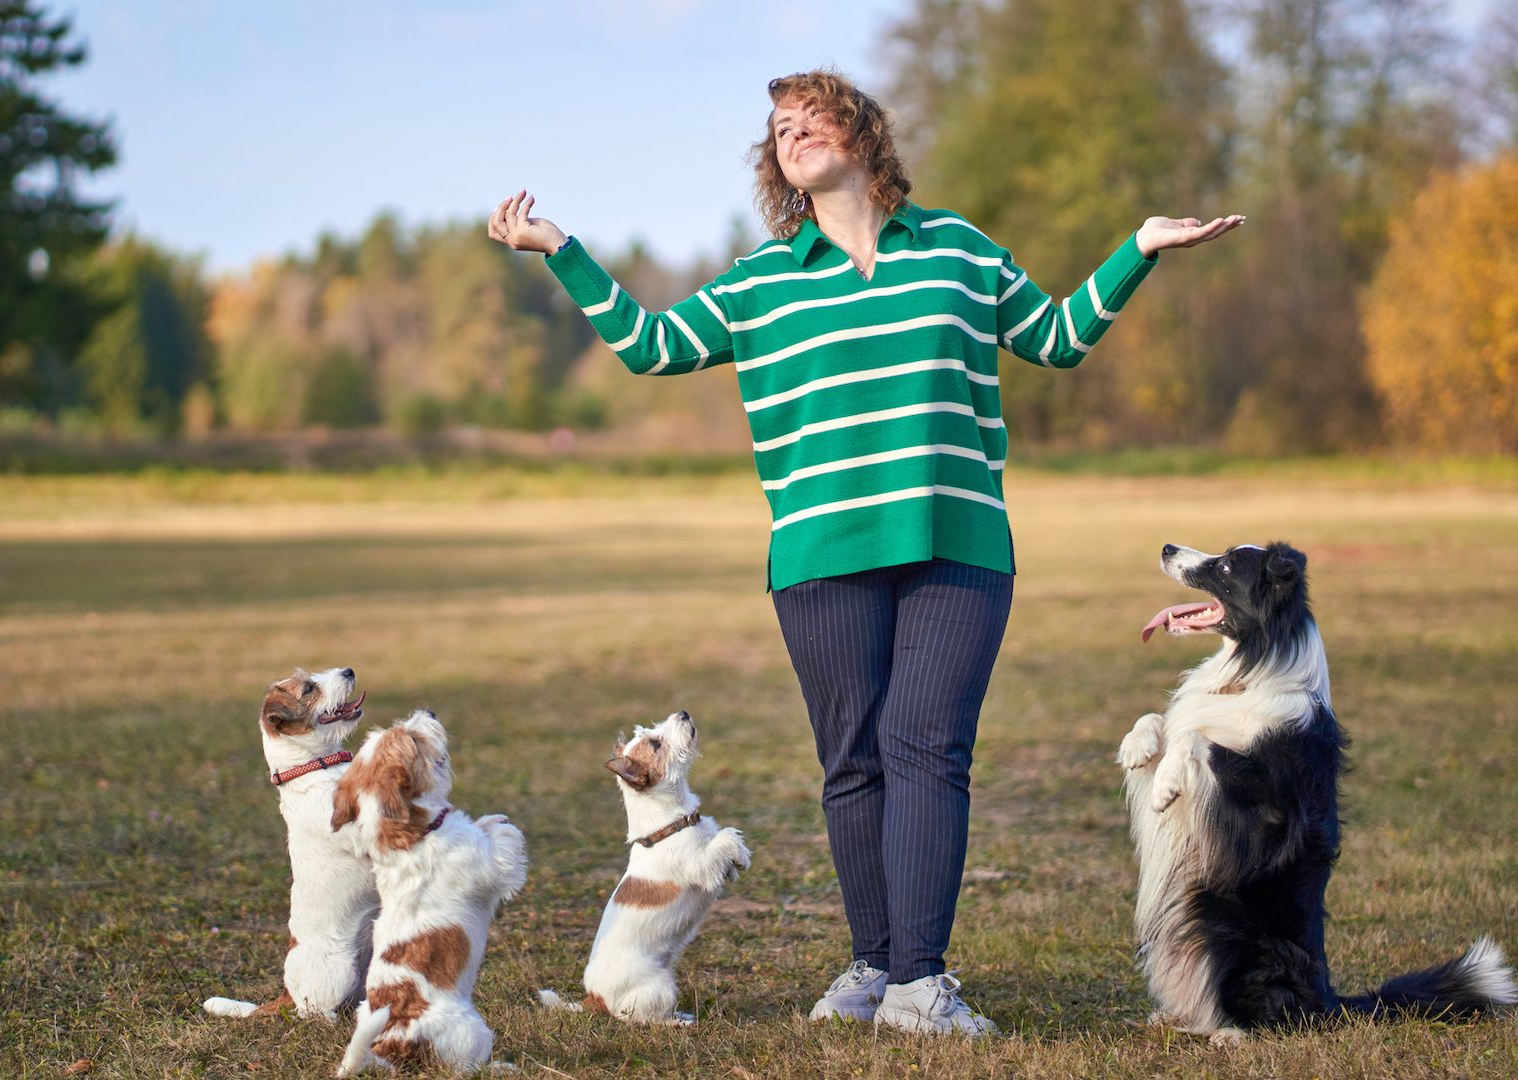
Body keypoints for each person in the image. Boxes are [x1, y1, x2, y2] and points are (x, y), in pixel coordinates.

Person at [489, 68, 1241, 1037]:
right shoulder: (763, 281)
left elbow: (1055, 338)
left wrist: (1137, 249)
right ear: (778, 166)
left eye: (811, 116)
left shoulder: (959, 252)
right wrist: (562, 251)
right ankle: (873, 968)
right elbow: (650, 345)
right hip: (819, 556)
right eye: (778, 127)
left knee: (925, 747)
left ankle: (920, 986)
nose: (793, 131)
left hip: (955, 542)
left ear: (863, 133)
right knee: (852, 765)